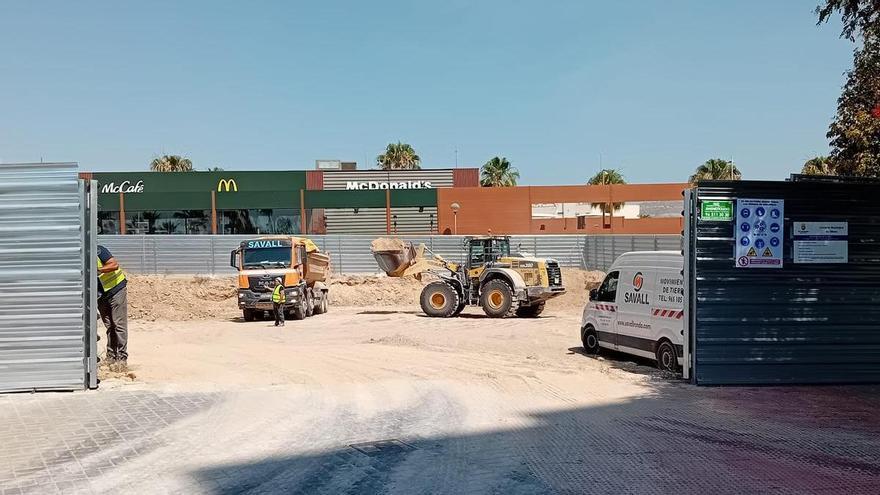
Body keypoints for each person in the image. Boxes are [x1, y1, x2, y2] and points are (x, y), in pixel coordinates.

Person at [97, 245, 128, 369]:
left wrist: (98, 270)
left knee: (118, 324)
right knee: (109, 325)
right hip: (101, 294)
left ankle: (121, 359)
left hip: (116, 289)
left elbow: (114, 265)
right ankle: (111, 356)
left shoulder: (98, 250)